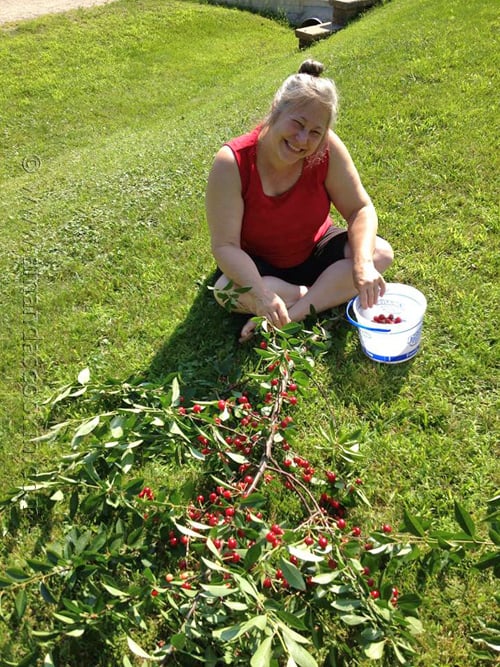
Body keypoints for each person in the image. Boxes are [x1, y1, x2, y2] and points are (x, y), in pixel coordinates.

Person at [206, 59, 393, 342]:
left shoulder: (327, 149)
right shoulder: (233, 161)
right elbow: (225, 246)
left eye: (315, 132)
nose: (303, 140)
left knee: (380, 254)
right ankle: (311, 293)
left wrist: (363, 264)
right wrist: (262, 295)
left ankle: (292, 315)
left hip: (315, 248)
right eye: (298, 123)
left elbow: (359, 209)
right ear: (275, 110)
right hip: (259, 263)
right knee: (225, 292)